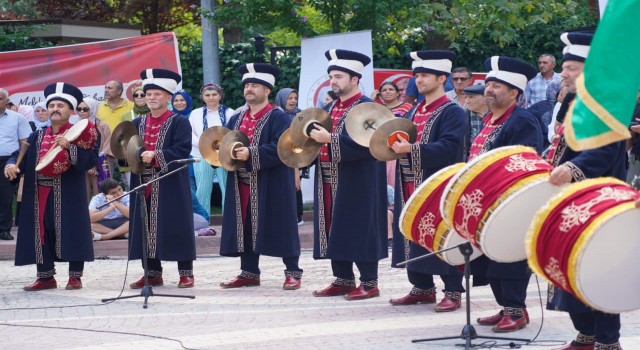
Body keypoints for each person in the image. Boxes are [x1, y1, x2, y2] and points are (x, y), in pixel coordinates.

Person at [545, 31, 625, 350]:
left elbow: (605, 151)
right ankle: (585, 333)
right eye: (564, 67)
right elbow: (560, 145)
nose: (563, 73)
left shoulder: (608, 104)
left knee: (599, 274)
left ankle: (608, 341)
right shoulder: (575, 103)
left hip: (599, 202)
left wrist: (571, 169)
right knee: (570, 270)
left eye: (571, 68)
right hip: (571, 201)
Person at [388, 50, 468, 312]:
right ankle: (421, 287)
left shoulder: (452, 112)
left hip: (437, 185)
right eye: (417, 75)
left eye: (425, 75)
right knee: (410, 232)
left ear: (441, 78)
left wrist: (411, 150)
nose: (419, 80)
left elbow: (449, 147)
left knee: (441, 235)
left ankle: (453, 290)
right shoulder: (413, 110)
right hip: (409, 183)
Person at [469, 56, 541, 332]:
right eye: (488, 84)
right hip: (484, 203)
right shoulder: (489, 120)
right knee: (489, 258)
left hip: (509, 203)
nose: (489, 89)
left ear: (514, 93)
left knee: (508, 258)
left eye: (497, 86)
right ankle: (505, 308)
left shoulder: (523, 120)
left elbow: (525, 163)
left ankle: (516, 310)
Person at [309, 49, 387, 301]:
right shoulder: (331, 107)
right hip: (331, 177)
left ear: (355, 79)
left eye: (339, 76)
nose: (333, 81)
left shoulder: (368, 108)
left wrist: (329, 138)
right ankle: (342, 279)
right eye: (331, 76)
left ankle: (369, 282)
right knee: (335, 225)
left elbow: (368, 144)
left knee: (360, 226)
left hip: (360, 178)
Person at [4, 82, 99, 290]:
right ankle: (45, 277)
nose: (55, 109)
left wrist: (70, 147)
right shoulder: (37, 135)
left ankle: (75, 277)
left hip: (69, 192)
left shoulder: (81, 132)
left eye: (61, 106)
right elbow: (18, 156)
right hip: (39, 193)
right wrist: (12, 164)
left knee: (71, 230)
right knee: (42, 232)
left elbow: (90, 160)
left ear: (71, 110)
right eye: (52, 105)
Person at [218, 63, 302, 290]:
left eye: (255, 85)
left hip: (272, 182)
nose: (249, 89)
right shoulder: (236, 118)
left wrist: (252, 153)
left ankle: (293, 272)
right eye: (247, 85)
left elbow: (285, 147)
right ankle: (249, 272)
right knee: (244, 224)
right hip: (241, 182)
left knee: (281, 224)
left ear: (267, 90)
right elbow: (225, 142)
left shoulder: (279, 117)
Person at [127, 68, 196, 289]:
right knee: (144, 226)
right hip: (142, 181)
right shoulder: (137, 123)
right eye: (148, 94)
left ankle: (186, 273)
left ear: (168, 97)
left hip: (170, 182)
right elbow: (129, 149)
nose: (152, 98)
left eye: (157, 94)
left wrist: (157, 156)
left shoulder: (179, 122)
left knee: (177, 225)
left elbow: (183, 150)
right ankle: (152, 273)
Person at [189, 84, 235, 217]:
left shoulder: (230, 112)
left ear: (220, 96)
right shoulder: (195, 113)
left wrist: (224, 145)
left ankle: (230, 221)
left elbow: (234, 133)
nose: (211, 98)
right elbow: (190, 134)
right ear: (202, 97)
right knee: (202, 189)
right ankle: (204, 221)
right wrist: (206, 144)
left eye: (214, 94)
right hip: (201, 153)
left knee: (228, 189)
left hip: (225, 154)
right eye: (207, 95)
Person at [0, 88, 32, 241]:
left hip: (8, 162)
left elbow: (24, 143)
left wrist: (19, 164)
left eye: (0, 98)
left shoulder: (17, 118)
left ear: (7, 101)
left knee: (5, 196)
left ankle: (4, 229)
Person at [275, 88, 307, 224]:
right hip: (277, 156)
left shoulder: (300, 115)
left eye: (295, 98)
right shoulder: (274, 115)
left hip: (296, 154)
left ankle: (297, 216)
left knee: (295, 184)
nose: (293, 101)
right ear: (282, 99)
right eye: (290, 98)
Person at [77, 98, 112, 200]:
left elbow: (108, 142)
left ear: (92, 109)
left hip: (101, 161)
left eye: (85, 109)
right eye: (79, 109)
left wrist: (98, 160)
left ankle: (103, 212)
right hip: (83, 163)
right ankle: (86, 213)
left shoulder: (102, 125)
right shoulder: (75, 126)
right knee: (83, 190)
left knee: (101, 188)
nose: (81, 112)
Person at [461, 85, 488, 158]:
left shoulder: (497, 116)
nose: (467, 101)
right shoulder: (461, 117)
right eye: (465, 97)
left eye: (471, 97)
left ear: (485, 98)